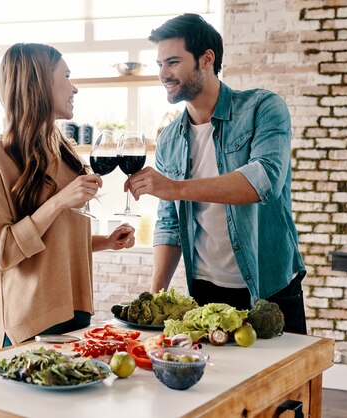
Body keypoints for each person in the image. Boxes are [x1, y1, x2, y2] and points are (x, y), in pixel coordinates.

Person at [124, 14, 307, 334]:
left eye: (173, 62)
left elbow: (263, 181)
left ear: (206, 59)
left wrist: (174, 188)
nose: (163, 74)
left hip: (270, 288)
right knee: (218, 383)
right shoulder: (169, 138)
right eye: (159, 64)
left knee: (284, 381)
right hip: (205, 292)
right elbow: (170, 223)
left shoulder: (263, 108)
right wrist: (152, 302)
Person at [0, 43, 136, 350]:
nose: (74, 88)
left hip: (75, 311)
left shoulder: (63, 150)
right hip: (28, 323)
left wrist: (106, 241)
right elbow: (1, 252)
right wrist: (60, 200)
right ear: (39, 83)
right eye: (67, 76)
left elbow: (53, 240)